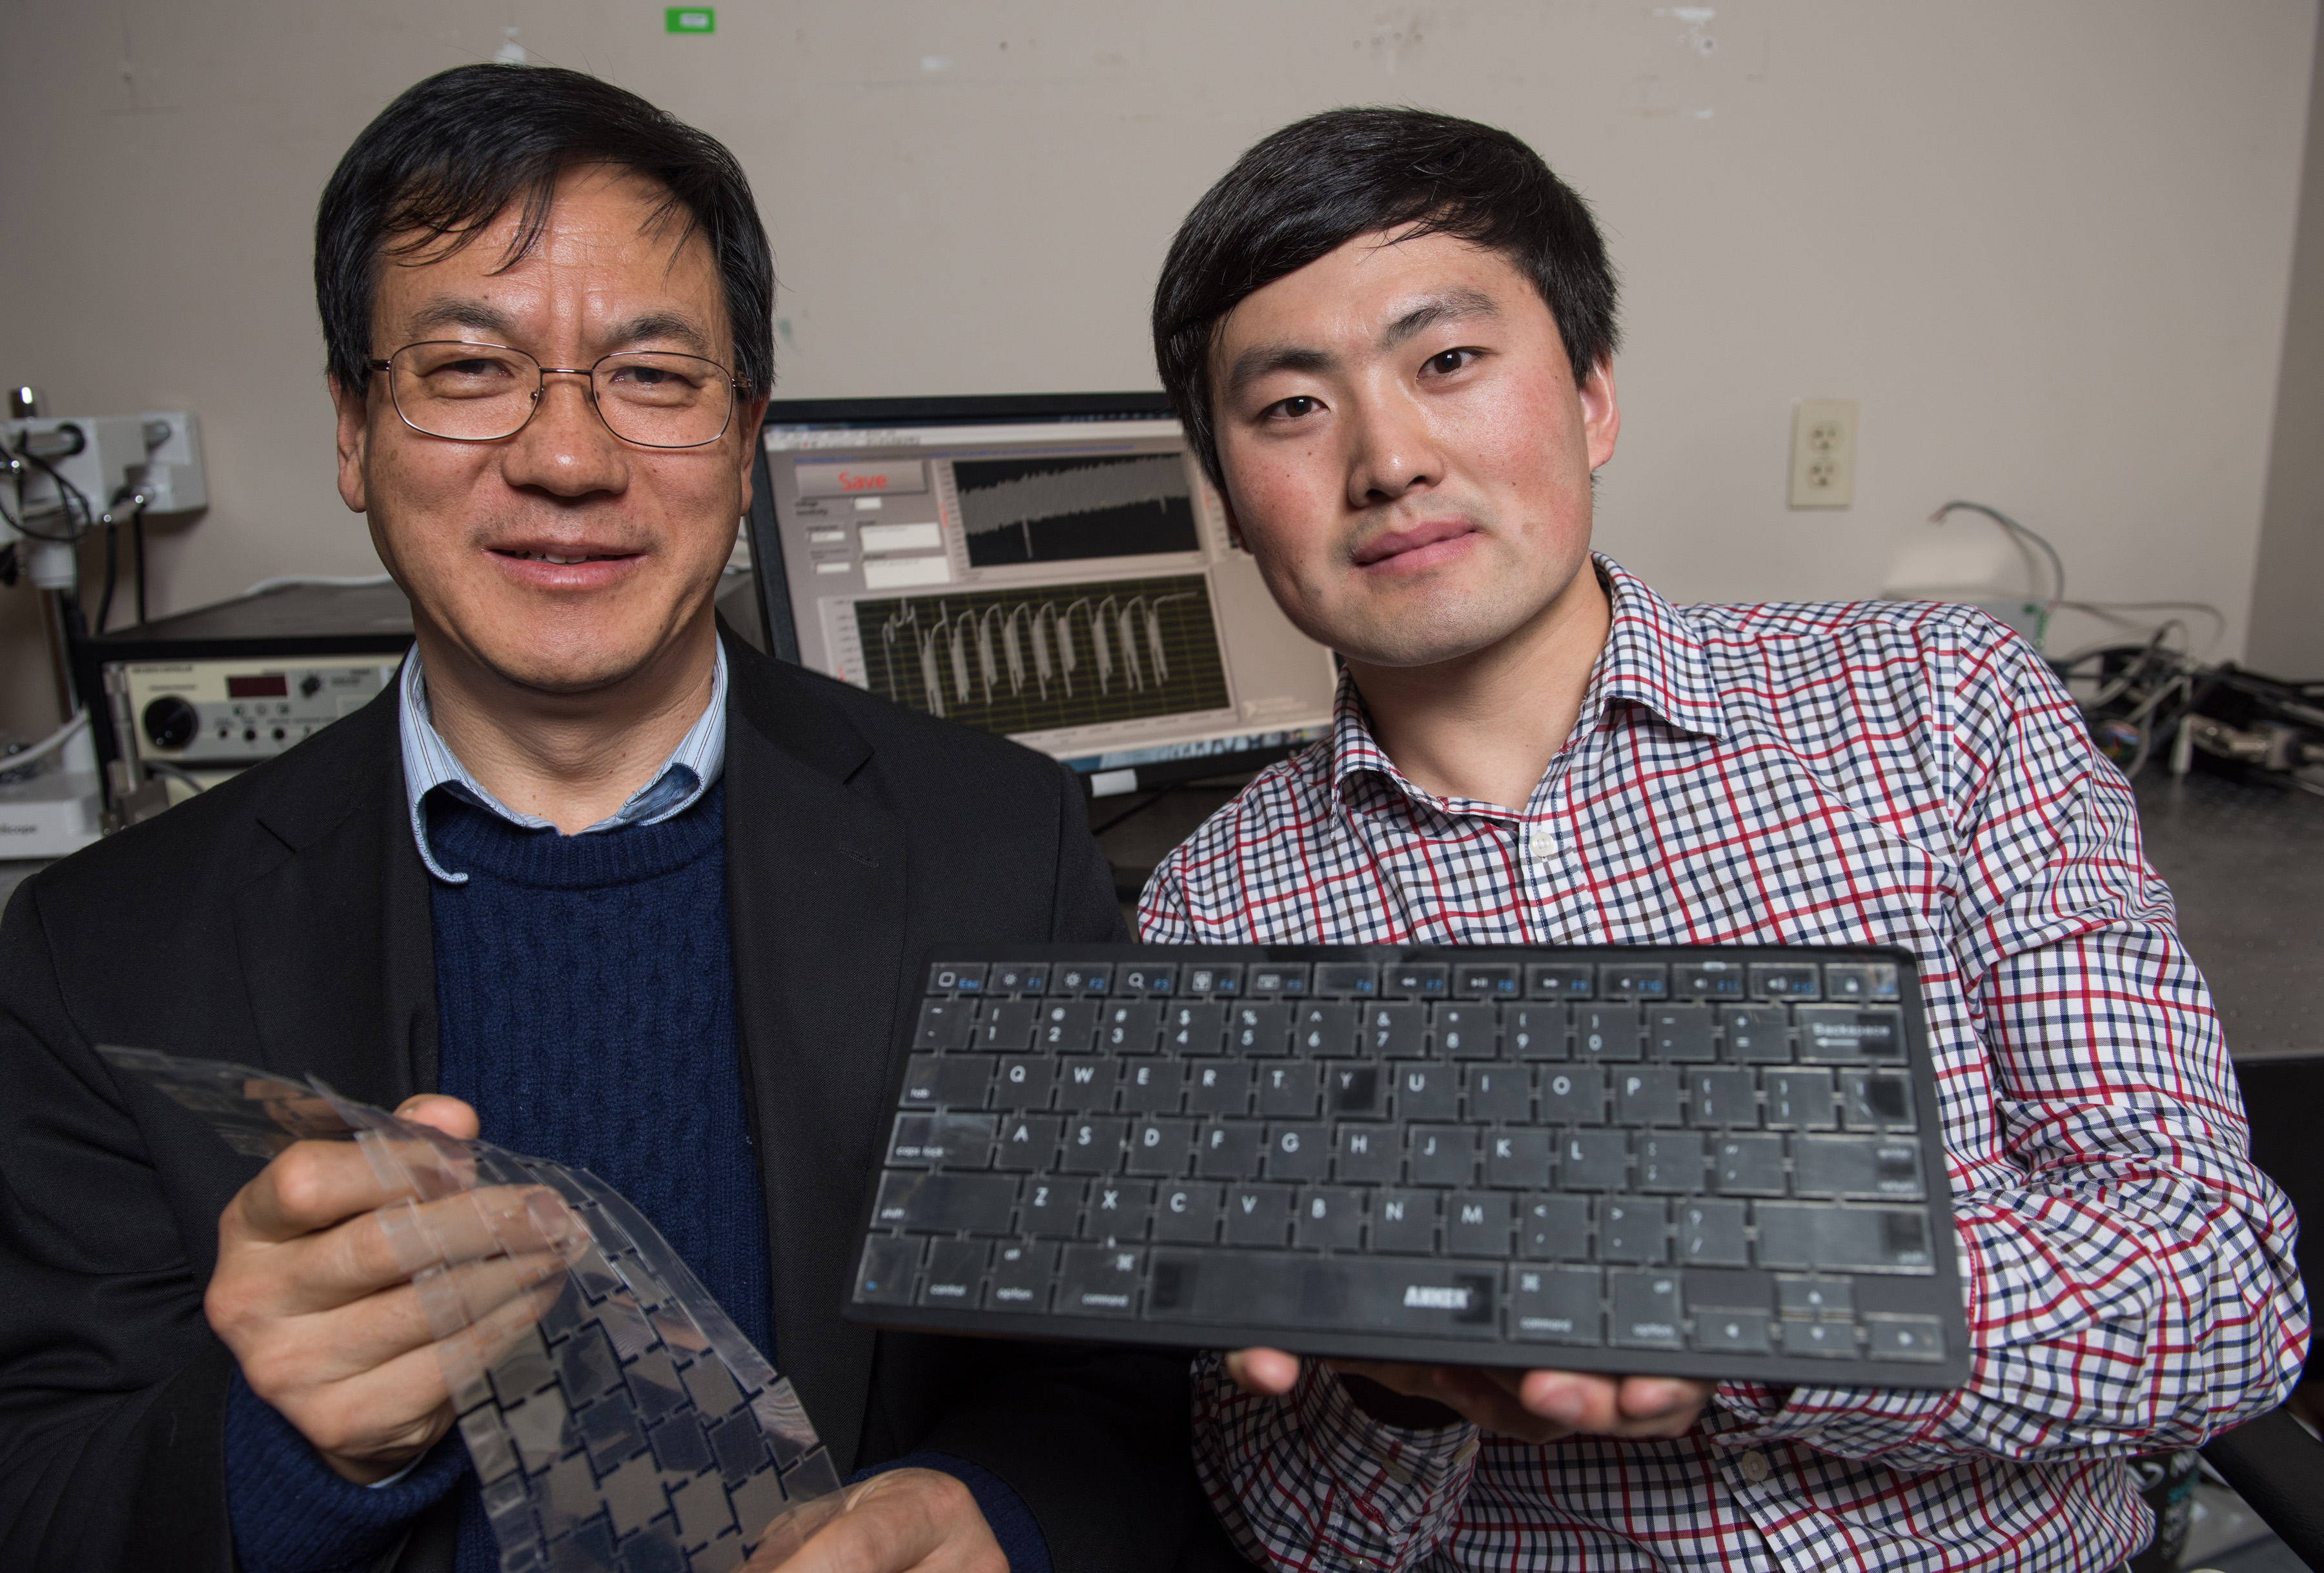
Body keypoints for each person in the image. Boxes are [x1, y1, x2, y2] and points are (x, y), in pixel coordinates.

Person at [0, 65, 1234, 1573]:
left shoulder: (996, 842)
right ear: (351, 427)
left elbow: (1123, 1383)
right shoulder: (98, 951)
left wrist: (998, 1513)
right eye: (468, 369)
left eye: (653, 378)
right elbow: (43, 1498)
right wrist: (295, 1442)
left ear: (742, 430)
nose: (569, 461)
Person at [1139, 107, 2309, 1572]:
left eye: (1447, 363)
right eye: (1291, 408)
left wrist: (1734, 1308)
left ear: (1594, 398)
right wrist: (1393, 1381)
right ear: (1232, 504)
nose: (1388, 459)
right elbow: (1302, 1535)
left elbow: (2221, 1295)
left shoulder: (1942, 707)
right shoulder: (1219, 909)